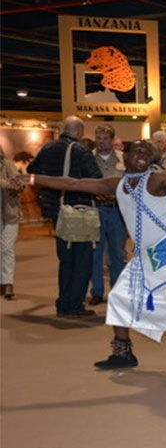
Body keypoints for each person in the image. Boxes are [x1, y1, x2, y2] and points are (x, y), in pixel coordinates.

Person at [24, 140, 166, 376]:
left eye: (148, 153)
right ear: (126, 156)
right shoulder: (117, 184)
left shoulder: (157, 180)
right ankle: (123, 352)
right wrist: (32, 179)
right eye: (138, 151)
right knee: (119, 296)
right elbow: (74, 183)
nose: (143, 155)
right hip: (145, 254)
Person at [27, 115, 102, 318]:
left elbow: (31, 171)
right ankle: (74, 306)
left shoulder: (48, 148)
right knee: (82, 261)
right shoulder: (80, 150)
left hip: (55, 210)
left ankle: (63, 303)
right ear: (79, 132)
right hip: (78, 211)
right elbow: (96, 179)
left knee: (66, 260)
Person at [88, 124, 127, 306]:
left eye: (104, 138)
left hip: (117, 210)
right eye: (98, 138)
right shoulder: (88, 158)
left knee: (117, 253)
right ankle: (96, 291)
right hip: (95, 209)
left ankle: (117, 291)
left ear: (112, 140)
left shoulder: (122, 159)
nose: (101, 142)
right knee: (95, 253)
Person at [0, 145, 22, 300]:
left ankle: (8, 284)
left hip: (10, 215)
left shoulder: (7, 164)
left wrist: (4, 183)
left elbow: (19, 184)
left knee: (6, 249)